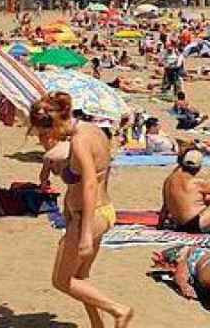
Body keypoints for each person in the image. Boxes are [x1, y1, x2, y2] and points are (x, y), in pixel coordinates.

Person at [29, 92, 134, 327]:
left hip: (90, 216)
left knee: (62, 280)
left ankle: (119, 310)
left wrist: (85, 233)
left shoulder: (79, 141)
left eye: (46, 133)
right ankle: (97, 323)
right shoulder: (91, 130)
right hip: (103, 210)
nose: (45, 139)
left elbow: (88, 184)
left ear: (56, 123)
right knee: (80, 277)